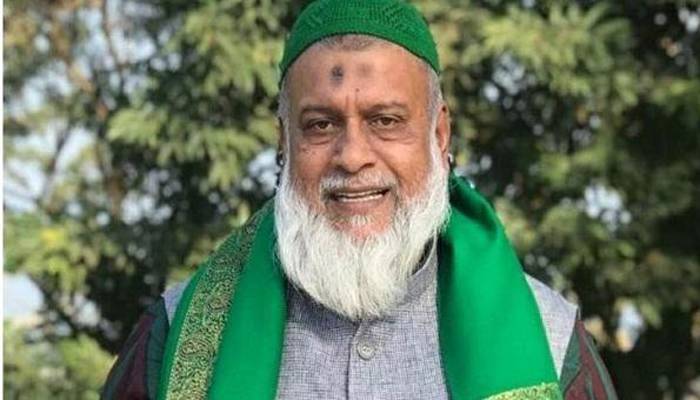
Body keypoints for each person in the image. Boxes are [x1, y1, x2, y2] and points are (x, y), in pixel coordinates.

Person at [102, 0, 618, 399]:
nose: (352, 157)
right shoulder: (176, 338)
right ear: (284, 141)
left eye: (385, 121)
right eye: (321, 125)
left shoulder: (551, 345)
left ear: (439, 135)